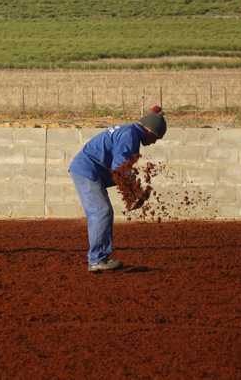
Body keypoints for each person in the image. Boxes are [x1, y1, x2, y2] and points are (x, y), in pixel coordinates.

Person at [69, 106, 167, 272]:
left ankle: (99, 257)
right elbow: (119, 168)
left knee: (103, 212)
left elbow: (120, 169)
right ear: (149, 130)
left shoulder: (129, 131)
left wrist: (134, 192)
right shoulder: (130, 136)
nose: (154, 142)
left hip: (91, 170)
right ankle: (97, 260)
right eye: (156, 137)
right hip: (87, 171)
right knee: (101, 212)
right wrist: (134, 193)